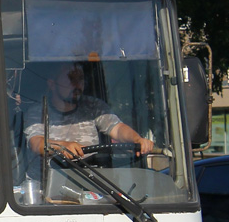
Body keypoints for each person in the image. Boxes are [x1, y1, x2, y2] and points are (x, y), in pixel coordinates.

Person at [24, 62, 153, 159]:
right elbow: (36, 143)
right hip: (49, 185)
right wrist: (63, 146)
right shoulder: (38, 111)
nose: (77, 84)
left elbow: (117, 128)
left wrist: (137, 139)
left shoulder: (93, 105)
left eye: (80, 79)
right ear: (52, 84)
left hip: (91, 181)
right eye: (71, 79)